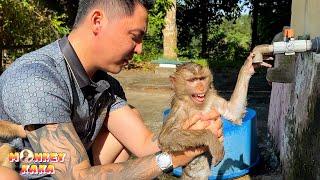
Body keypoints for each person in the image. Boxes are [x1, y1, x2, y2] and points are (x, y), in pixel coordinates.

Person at [0, 0, 224, 179]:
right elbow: (74, 176)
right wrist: (172, 160)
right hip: (25, 168)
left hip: (66, 165)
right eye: (135, 37)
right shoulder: (37, 78)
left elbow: (146, 143)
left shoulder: (106, 84)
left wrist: (193, 131)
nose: (140, 49)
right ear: (97, 21)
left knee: (129, 119)